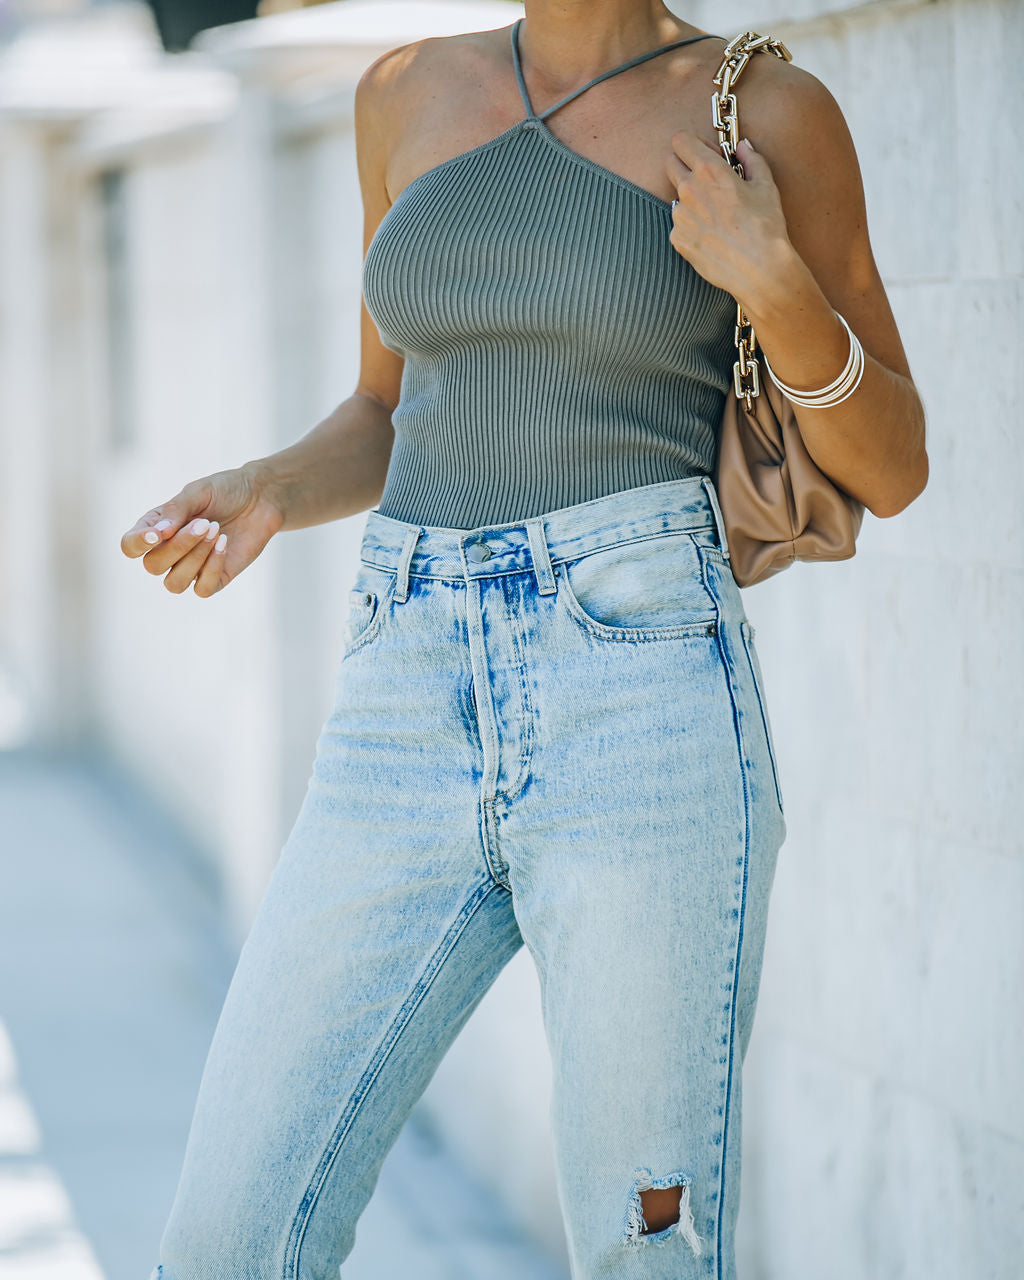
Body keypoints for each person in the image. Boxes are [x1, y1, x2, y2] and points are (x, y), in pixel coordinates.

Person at [124, 4, 927, 1278]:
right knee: (230, 1229)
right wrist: (270, 482)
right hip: (404, 690)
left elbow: (891, 461)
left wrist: (771, 280)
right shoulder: (401, 93)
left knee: (640, 1251)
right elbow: (388, 407)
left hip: (643, 697)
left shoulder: (765, 110)